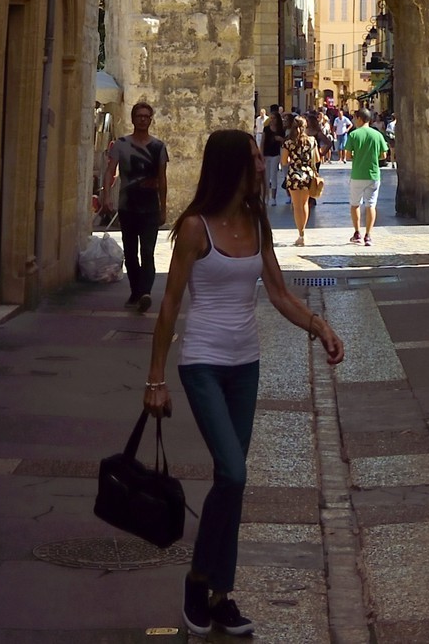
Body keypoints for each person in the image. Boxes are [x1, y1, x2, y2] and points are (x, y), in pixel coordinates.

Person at [145, 128, 345, 637]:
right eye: (255, 158)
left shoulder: (257, 221)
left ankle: (220, 594)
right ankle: (198, 580)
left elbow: (277, 292)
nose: (263, 165)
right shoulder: (194, 228)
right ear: (232, 165)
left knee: (230, 483)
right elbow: (169, 306)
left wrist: (320, 327)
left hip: (246, 364)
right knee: (233, 473)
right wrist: (155, 380)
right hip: (203, 363)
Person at [103, 100, 169, 313]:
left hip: (150, 208)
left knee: (148, 251)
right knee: (130, 252)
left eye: (146, 116)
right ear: (133, 119)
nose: (142, 119)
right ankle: (136, 291)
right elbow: (110, 171)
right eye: (139, 116)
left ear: (151, 120)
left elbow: (162, 179)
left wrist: (163, 207)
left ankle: (146, 292)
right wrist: (106, 196)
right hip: (128, 207)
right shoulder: (121, 145)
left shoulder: (158, 147)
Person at [344, 106, 387, 245]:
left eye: (355, 118)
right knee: (371, 205)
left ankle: (357, 233)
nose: (354, 120)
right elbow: (383, 155)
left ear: (360, 118)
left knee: (355, 205)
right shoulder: (377, 134)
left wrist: (358, 156)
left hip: (357, 174)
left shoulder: (353, 135)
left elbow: (348, 156)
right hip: (373, 174)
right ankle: (368, 235)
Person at [281, 111, 324, 242]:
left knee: (296, 205)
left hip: (294, 174)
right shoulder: (312, 141)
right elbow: (317, 159)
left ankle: (300, 233)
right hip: (307, 175)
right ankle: (303, 233)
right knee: (305, 204)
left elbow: (284, 161)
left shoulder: (288, 142)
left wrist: (294, 161)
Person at [259, 108, 286, 209]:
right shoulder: (266, 129)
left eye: (274, 118)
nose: (272, 120)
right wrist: (260, 154)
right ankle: (265, 197)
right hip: (266, 154)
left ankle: (273, 198)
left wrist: (281, 139)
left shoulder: (281, 130)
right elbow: (262, 142)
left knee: (273, 175)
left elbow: (285, 142)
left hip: (275, 154)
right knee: (265, 176)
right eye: (271, 118)